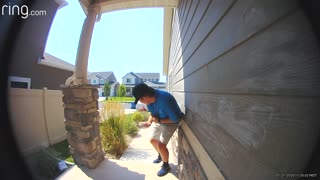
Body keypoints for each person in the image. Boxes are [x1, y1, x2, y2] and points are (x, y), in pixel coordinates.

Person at [132, 83, 183, 177]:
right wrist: (149, 122)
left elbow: (176, 119)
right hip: (160, 120)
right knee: (153, 140)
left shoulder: (165, 100)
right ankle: (161, 155)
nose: (141, 102)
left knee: (161, 145)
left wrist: (159, 120)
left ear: (145, 96)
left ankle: (166, 165)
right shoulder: (150, 101)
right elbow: (153, 114)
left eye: (140, 99)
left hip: (171, 122)